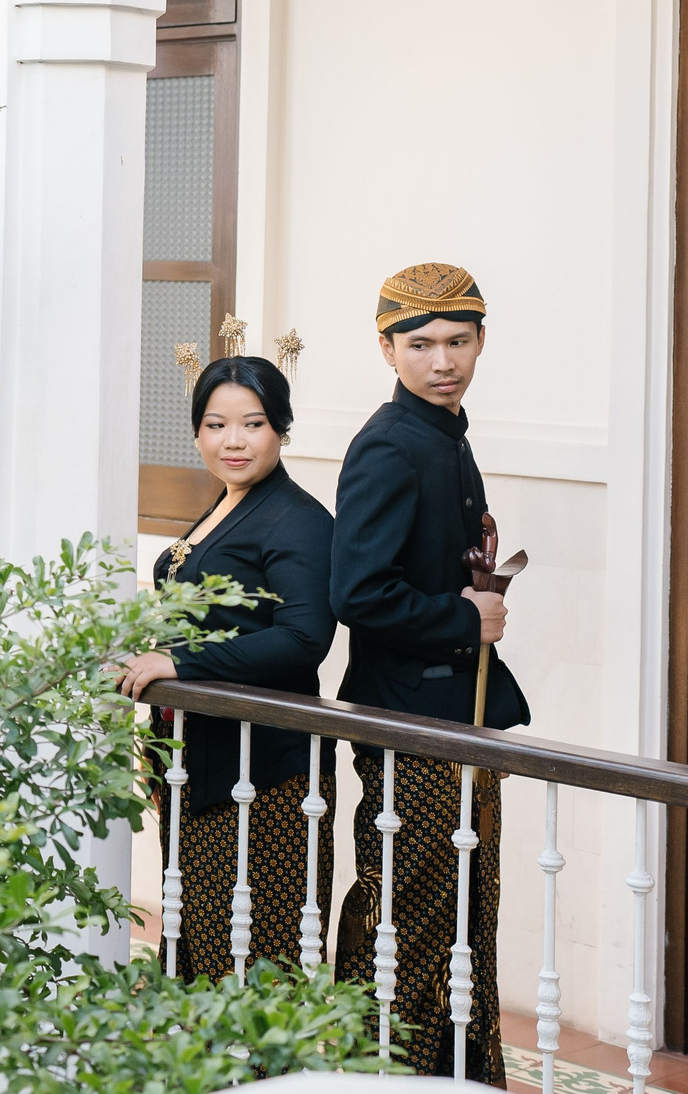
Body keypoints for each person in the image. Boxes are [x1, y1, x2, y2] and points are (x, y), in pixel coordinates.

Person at [330, 262, 529, 1085]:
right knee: (407, 909)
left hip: (453, 709)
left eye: (457, 340)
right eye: (421, 344)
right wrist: (462, 618)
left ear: (481, 341)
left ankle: (461, 1073)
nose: (441, 359)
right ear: (387, 348)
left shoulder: (447, 432)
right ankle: (375, 1074)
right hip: (408, 717)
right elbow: (358, 592)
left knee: (462, 903)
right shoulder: (389, 445)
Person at [117, 354, 335, 982]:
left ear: (282, 430)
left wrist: (178, 661)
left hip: (262, 772)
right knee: (194, 935)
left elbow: (303, 638)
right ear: (196, 431)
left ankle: (255, 1081)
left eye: (253, 424)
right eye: (215, 425)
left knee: (249, 952)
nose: (232, 441)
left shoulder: (298, 520)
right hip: (197, 760)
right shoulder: (229, 503)